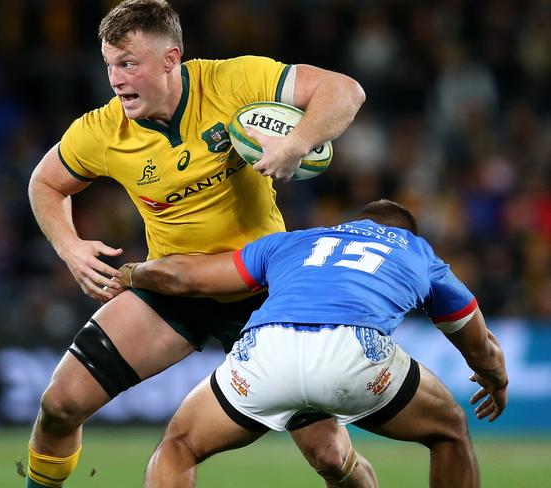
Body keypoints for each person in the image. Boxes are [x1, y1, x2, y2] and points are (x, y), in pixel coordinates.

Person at [25, 1, 366, 487]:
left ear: (170, 60)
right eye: (109, 66)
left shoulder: (233, 82)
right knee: (60, 404)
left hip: (264, 294)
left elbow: (344, 91)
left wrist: (295, 144)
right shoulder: (102, 130)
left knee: (330, 456)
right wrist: (70, 248)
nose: (116, 80)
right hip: (174, 287)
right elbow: (45, 183)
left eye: (128, 64)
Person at [112, 199, 508, 488]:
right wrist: (495, 378)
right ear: (404, 233)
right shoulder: (415, 251)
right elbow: (475, 340)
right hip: (353, 354)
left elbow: (188, 278)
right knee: (449, 430)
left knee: (179, 445)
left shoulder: (294, 242)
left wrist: (131, 273)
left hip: (267, 349)